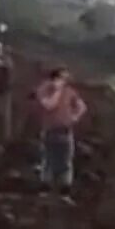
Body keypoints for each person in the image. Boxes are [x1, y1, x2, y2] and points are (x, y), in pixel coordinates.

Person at [34, 68, 87, 201]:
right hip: (50, 130)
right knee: (48, 160)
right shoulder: (44, 90)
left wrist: (74, 117)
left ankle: (65, 190)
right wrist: (57, 91)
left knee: (66, 162)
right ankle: (45, 188)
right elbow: (49, 105)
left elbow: (82, 106)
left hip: (65, 131)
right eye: (62, 78)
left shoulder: (70, 92)